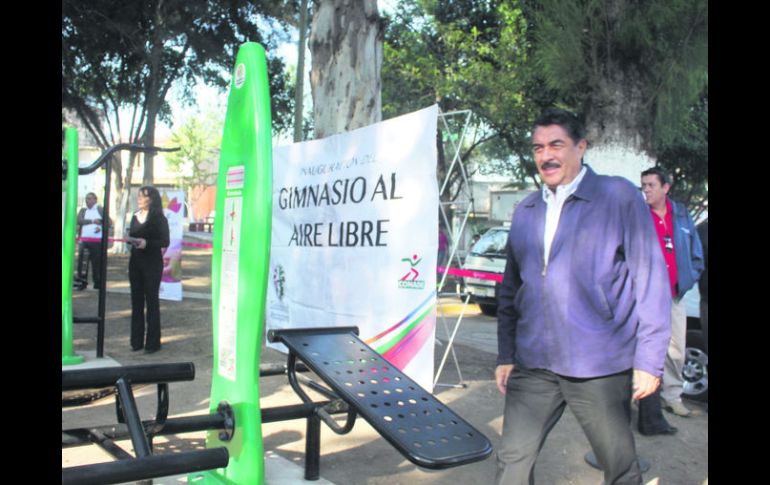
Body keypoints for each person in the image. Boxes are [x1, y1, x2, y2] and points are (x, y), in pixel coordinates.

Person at [494, 108, 672, 485]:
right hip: (534, 362)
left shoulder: (617, 196)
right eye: (538, 147)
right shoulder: (526, 210)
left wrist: (649, 360)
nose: (546, 155)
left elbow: (651, 279)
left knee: (619, 465)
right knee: (512, 461)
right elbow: (511, 287)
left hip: (599, 364)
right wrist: (507, 354)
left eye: (556, 144)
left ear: (581, 146)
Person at [640, 168, 704, 418]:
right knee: (642, 348)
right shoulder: (639, 215)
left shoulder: (681, 215)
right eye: (643, 185)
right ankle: (641, 398)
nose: (645, 189)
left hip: (674, 295)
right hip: (645, 296)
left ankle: (673, 397)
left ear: (665, 188)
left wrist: (689, 278)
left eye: (650, 185)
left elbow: (695, 253)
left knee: (676, 349)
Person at [126, 186, 170, 354]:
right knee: (136, 302)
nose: (139, 199)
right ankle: (136, 342)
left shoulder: (159, 218)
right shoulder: (135, 216)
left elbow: (165, 241)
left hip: (152, 264)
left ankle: (152, 343)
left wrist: (147, 243)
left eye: (142, 196)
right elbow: (132, 234)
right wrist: (131, 240)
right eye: (138, 196)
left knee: (151, 302)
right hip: (135, 263)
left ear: (151, 199)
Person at [76, 192, 111, 290]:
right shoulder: (83, 210)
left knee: (97, 263)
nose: (88, 201)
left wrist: (100, 227)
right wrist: (91, 221)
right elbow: (79, 220)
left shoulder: (100, 210)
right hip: (84, 241)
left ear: (95, 200)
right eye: (87, 199)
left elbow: (108, 222)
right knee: (83, 263)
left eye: (90, 199)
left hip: (96, 242)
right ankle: (82, 282)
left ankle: (98, 282)